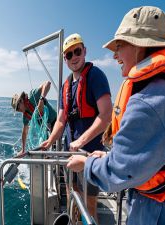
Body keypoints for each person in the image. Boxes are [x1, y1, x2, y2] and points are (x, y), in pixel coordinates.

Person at [67, 6, 165, 225]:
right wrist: (107, 157)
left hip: (161, 208)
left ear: (140, 45)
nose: (115, 55)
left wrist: (86, 164)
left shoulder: (150, 99)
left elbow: (124, 170)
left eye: (119, 46)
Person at [41, 33, 112, 221]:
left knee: (89, 204)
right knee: (73, 194)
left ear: (85, 51)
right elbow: (61, 120)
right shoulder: (66, 85)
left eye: (77, 51)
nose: (74, 57)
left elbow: (106, 115)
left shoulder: (96, 76)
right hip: (69, 153)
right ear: (65, 59)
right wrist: (50, 142)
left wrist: (80, 141)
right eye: (69, 54)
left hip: (89, 154)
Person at [11, 81, 57, 155]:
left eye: (17, 108)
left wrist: (41, 99)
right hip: (45, 129)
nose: (18, 111)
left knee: (55, 146)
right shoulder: (25, 115)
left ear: (21, 101)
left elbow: (47, 83)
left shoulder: (33, 96)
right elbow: (24, 132)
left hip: (54, 121)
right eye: (16, 110)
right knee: (45, 148)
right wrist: (23, 149)